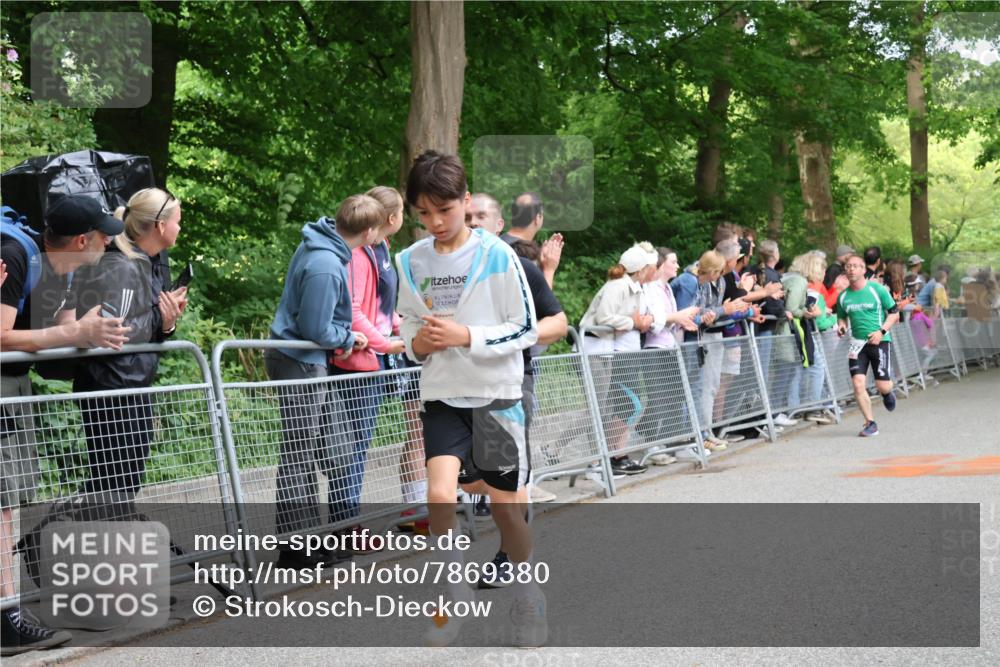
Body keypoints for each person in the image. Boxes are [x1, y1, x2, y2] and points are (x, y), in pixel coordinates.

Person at [395, 151, 543, 647]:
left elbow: (524, 328)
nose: (434, 223)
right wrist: (420, 345)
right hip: (442, 396)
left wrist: (465, 336)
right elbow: (410, 331)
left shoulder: (498, 255)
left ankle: (527, 598)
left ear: (464, 202)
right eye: (424, 214)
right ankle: (452, 598)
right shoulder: (409, 261)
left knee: (504, 508)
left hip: (496, 397)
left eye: (444, 210)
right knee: (439, 495)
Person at [1, 195, 130, 656]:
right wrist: (74, 335)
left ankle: (8, 613)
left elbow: (62, 332)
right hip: (3, 390)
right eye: (103, 237)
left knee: (8, 501)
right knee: (2, 505)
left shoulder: (67, 270)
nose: (107, 244)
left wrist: (94, 337)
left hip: (14, 391)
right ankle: (6, 618)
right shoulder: (13, 253)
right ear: (83, 240)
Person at [265, 195, 380, 569]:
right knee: (298, 456)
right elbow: (316, 328)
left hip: (311, 361)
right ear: (369, 232)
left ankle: (310, 536)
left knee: (336, 449)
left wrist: (343, 336)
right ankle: (296, 548)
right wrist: (348, 338)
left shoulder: (325, 243)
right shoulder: (326, 266)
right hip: (300, 362)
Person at [464, 190, 568, 582]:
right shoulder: (444, 269)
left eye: (480, 217)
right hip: (456, 386)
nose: (472, 224)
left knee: (510, 473)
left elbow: (554, 322)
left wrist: (507, 339)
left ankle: (512, 556)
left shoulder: (519, 264)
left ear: (498, 224)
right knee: (468, 473)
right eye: (467, 217)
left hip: (509, 383)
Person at [71, 188, 189, 501]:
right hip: (113, 388)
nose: (180, 228)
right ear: (161, 226)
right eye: (178, 221)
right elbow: (116, 329)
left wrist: (167, 322)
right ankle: (66, 541)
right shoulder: (122, 266)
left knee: (119, 485)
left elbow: (144, 325)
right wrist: (159, 321)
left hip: (128, 385)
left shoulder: (143, 263)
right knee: (114, 486)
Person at [324, 187, 408, 553]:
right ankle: (346, 526)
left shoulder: (382, 250)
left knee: (358, 445)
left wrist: (401, 324)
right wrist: (384, 342)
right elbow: (356, 310)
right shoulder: (359, 254)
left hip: (372, 355)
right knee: (352, 447)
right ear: (390, 219)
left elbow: (378, 308)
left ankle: (349, 521)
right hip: (356, 360)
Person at [579, 245, 656, 474]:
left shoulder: (631, 287)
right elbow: (604, 317)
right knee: (598, 406)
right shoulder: (617, 286)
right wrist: (633, 323)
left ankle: (603, 457)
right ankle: (596, 460)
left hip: (605, 348)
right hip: (592, 347)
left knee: (605, 405)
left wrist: (633, 321)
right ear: (641, 269)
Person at [639, 247, 701, 463]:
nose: (677, 265)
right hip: (655, 349)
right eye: (673, 262)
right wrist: (678, 317)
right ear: (661, 264)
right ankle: (654, 444)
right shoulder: (651, 288)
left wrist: (683, 320)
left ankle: (673, 441)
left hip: (671, 346)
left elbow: (670, 319)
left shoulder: (667, 289)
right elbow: (655, 321)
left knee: (675, 397)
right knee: (658, 398)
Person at [836, 254, 900, 437]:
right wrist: (841, 326)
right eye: (848, 266)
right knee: (858, 384)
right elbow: (841, 317)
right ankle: (870, 423)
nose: (851, 269)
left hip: (879, 342)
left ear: (864, 270)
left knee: (883, 386)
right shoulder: (843, 297)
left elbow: (894, 313)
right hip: (857, 345)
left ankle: (887, 393)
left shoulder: (877, 290)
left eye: (856, 266)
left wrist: (881, 332)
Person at [693, 249, 750, 449]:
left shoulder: (722, 282)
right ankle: (703, 433)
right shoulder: (699, 282)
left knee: (713, 385)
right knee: (705, 386)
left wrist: (737, 311)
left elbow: (716, 313)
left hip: (716, 336)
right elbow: (701, 313)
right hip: (704, 337)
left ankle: (707, 431)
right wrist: (725, 310)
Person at [781, 252, 831, 424]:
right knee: (816, 367)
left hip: (793, 331)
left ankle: (794, 409)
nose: (823, 274)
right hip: (796, 331)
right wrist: (809, 313)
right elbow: (792, 308)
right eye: (822, 269)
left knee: (797, 370)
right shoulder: (799, 281)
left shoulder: (789, 278)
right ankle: (813, 407)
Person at [751, 240, 796, 427]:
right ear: (775, 255)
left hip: (760, 329)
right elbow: (772, 303)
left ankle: (762, 416)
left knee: (760, 372)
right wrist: (783, 312)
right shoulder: (772, 275)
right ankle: (762, 417)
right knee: (761, 372)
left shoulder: (756, 270)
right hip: (765, 329)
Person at [505, 192, 563, 289]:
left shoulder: (497, 242)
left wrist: (540, 263)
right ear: (537, 218)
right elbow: (540, 302)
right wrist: (549, 269)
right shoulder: (523, 253)